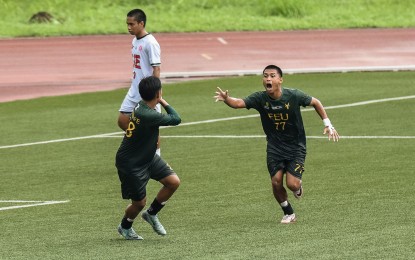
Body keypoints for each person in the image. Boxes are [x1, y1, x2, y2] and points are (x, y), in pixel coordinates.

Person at [214, 65, 339, 224]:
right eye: (265, 76)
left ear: (280, 80)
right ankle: (288, 212)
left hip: (296, 147)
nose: (268, 79)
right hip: (275, 147)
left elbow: (316, 102)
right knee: (276, 181)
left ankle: (298, 188)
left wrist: (328, 124)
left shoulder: (294, 95)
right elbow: (239, 103)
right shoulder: (260, 98)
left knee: (292, 185)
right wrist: (226, 99)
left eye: (272, 76)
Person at [116, 76, 181, 240]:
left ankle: (151, 214)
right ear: (158, 93)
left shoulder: (141, 106)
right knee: (139, 203)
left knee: (173, 182)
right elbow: (176, 119)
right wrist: (163, 102)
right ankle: (125, 226)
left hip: (147, 156)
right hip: (131, 163)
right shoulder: (148, 114)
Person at [118, 8, 162, 154]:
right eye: (127, 24)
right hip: (135, 88)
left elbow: (156, 69)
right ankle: (141, 145)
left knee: (152, 127)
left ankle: (156, 158)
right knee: (123, 120)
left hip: (148, 91)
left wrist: (157, 93)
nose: (129, 27)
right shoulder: (135, 41)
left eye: (132, 24)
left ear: (141, 23)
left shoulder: (151, 43)